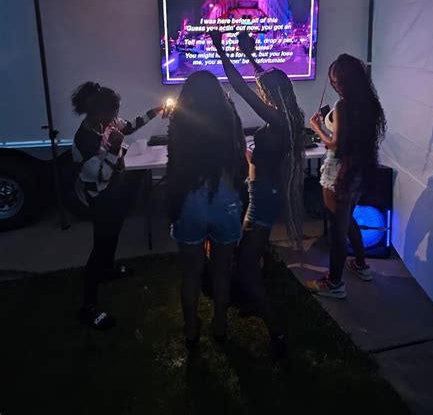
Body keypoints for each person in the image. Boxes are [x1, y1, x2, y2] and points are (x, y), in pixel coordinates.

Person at [210, 30, 305, 357]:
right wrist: (249, 54)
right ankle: (254, 298)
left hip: (263, 197)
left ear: (271, 94)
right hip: (264, 191)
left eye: (264, 90)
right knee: (250, 251)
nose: (260, 91)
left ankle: (275, 330)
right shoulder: (289, 115)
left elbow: (241, 88)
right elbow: (264, 78)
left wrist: (220, 49)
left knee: (247, 265)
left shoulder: (276, 118)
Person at [71, 81, 163, 329]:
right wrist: (113, 150)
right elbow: (101, 175)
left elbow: (129, 126)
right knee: (101, 244)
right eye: (114, 111)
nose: (116, 116)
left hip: (112, 193)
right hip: (99, 198)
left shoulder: (105, 123)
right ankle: (88, 308)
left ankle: (107, 270)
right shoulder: (85, 141)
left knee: (113, 234)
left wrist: (155, 111)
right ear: (100, 111)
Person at [166, 71, 248, 349]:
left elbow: (173, 164)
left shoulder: (180, 120)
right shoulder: (229, 117)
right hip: (224, 199)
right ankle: (220, 326)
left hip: (190, 200)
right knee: (222, 271)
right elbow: (240, 159)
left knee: (191, 274)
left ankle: (191, 330)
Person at [307, 54, 386, 298]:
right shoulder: (368, 103)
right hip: (357, 170)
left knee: (338, 228)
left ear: (342, 81)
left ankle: (334, 283)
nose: (332, 83)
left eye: (334, 79)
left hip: (338, 171)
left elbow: (336, 145)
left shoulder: (343, 106)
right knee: (348, 219)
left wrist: (317, 128)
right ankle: (361, 265)